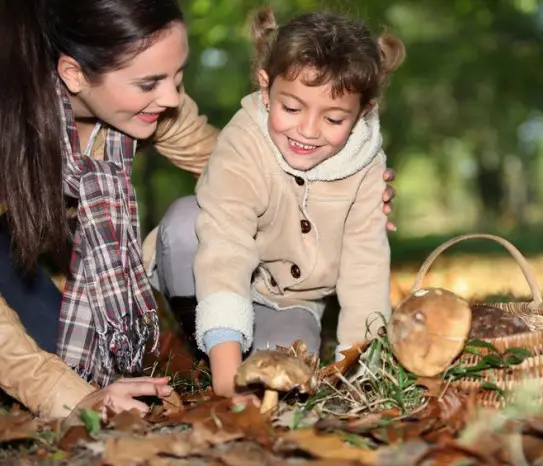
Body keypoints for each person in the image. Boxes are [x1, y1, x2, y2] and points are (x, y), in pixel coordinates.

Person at [0, 0, 399, 419]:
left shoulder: (156, 106)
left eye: (178, 75)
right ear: (74, 74)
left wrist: (334, 189)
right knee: (52, 382)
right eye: (150, 82)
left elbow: (233, 171)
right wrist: (62, 393)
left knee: (68, 356)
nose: (172, 97)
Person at [154, 7, 405, 397]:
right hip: (213, 269)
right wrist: (226, 380)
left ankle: (255, 345)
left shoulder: (367, 168)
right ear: (265, 87)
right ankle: (215, 345)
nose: (307, 131)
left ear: (363, 113)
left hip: (292, 301)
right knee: (186, 222)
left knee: (285, 376)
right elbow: (225, 244)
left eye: (334, 119)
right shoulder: (243, 141)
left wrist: (361, 371)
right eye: (291, 108)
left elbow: (365, 268)